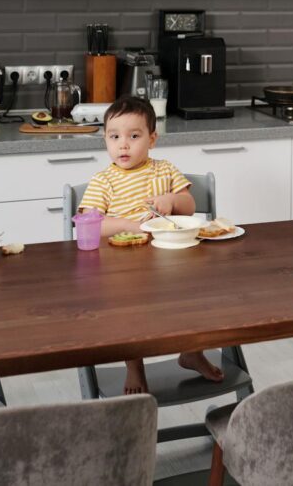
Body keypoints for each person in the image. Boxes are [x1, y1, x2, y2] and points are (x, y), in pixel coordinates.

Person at [78, 96, 223, 394]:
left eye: (134, 136)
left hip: (169, 257)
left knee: (200, 295)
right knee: (127, 313)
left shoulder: (164, 170)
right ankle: (134, 366)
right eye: (114, 137)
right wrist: (131, 225)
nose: (123, 145)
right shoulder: (103, 181)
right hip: (123, 266)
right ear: (104, 138)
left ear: (152, 139)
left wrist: (172, 200)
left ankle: (192, 352)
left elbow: (189, 205)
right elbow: (93, 225)